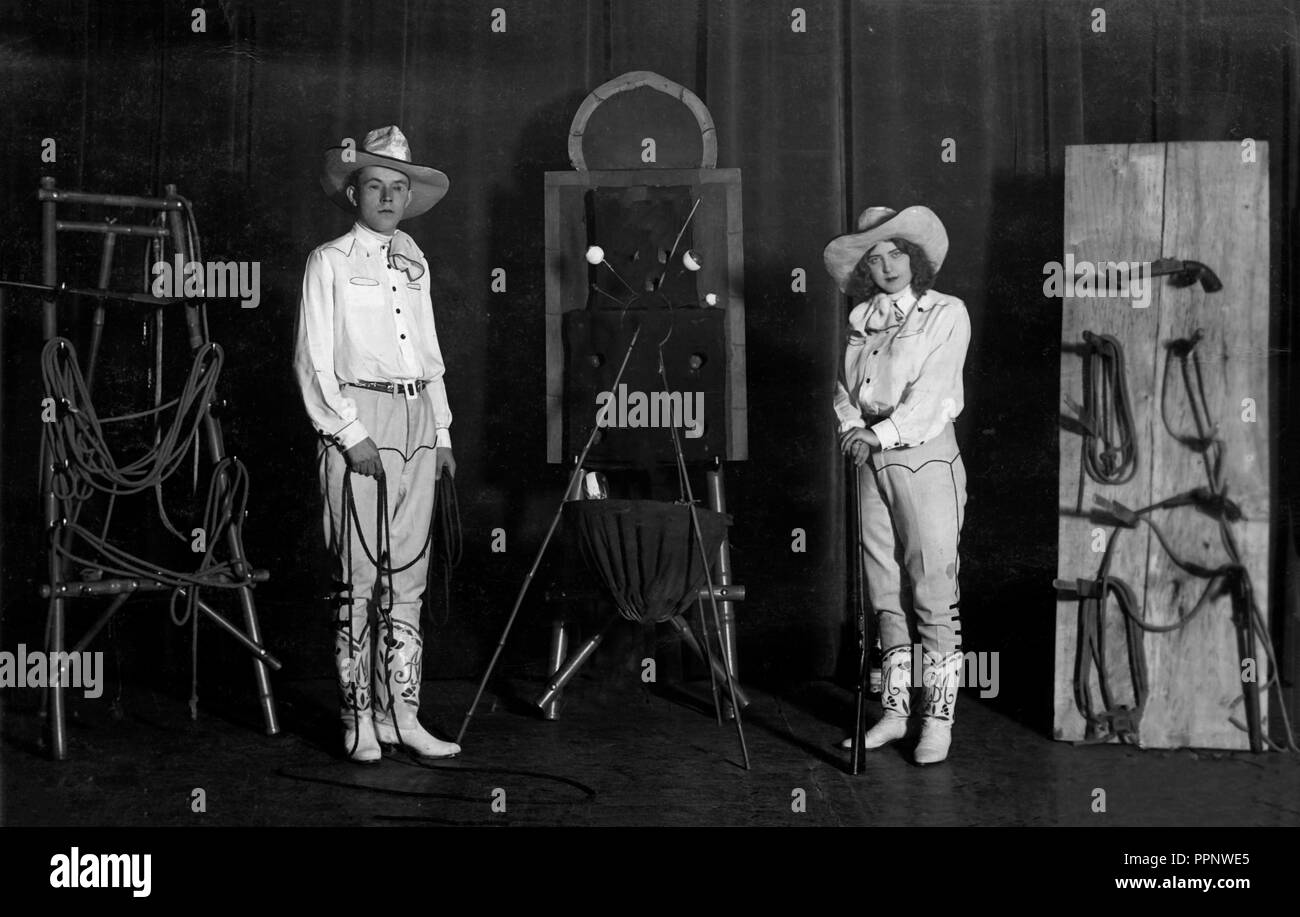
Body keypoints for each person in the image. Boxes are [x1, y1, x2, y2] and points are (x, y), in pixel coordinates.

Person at [294, 125, 460, 762]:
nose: (387, 198)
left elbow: (430, 350)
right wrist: (347, 433)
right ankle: (357, 720)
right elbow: (312, 359)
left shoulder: (414, 259)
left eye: (398, 187)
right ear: (353, 193)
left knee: (407, 579)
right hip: (358, 418)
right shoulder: (329, 261)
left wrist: (441, 430)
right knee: (357, 578)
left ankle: (403, 716)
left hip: (417, 418)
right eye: (375, 186)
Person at [825, 205, 970, 765]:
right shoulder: (862, 319)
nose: (886, 264)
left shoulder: (945, 313)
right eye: (875, 256)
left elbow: (931, 396)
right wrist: (852, 429)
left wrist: (876, 433)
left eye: (896, 252)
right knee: (884, 593)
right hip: (871, 462)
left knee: (932, 592)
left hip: (924, 461)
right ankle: (894, 712)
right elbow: (843, 389)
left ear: (916, 258)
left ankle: (937, 722)